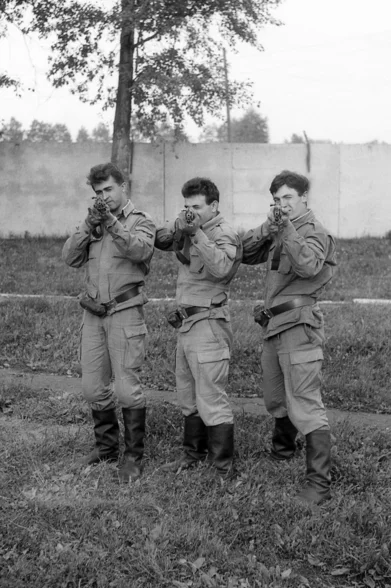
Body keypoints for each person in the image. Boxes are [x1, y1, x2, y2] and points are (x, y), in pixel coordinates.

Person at [242, 170, 337, 505]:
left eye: (288, 198)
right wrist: (269, 226)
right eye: (277, 200)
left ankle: (318, 485)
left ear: (304, 197)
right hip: (273, 325)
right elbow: (244, 252)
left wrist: (287, 228)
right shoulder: (279, 228)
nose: (282, 205)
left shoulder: (314, 232)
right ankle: (283, 450)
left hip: (300, 325)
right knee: (275, 398)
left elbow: (308, 267)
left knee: (305, 403)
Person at [62, 162, 156, 483]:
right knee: (91, 388)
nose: (104, 196)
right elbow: (69, 258)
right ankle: (106, 447)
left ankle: (132, 457)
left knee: (127, 389)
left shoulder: (141, 222)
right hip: (93, 314)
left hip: (125, 314)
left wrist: (112, 223)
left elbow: (140, 250)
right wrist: (89, 224)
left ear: (123, 186)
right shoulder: (93, 223)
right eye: (98, 192)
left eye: (109, 190)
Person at [155, 177, 242, 478]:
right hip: (187, 324)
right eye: (186, 206)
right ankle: (192, 454)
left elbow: (221, 269)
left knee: (211, 398)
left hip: (209, 324)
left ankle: (222, 467)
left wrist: (197, 235)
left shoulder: (224, 233)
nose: (191, 211)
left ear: (214, 205)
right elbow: (161, 238)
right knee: (188, 395)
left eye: (197, 206)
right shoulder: (188, 225)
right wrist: (181, 225)